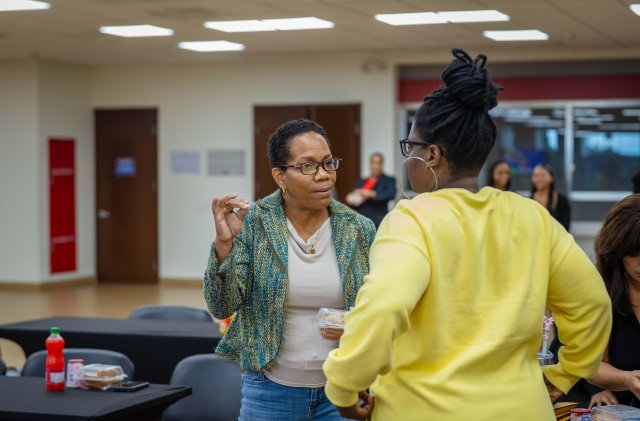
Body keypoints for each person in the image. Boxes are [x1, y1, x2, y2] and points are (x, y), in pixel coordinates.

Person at [322, 48, 612, 420]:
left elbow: (383, 308)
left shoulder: (413, 218)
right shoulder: (532, 217)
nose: (408, 158)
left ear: (432, 155)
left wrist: (344, 387)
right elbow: (592, 305)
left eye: (411, 147)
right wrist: (565, 373)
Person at [204, 118, 376, 421]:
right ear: (280, 176)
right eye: (308, 166)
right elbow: (222, 305)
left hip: (342, 392)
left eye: (328, 163)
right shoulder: (253, 222)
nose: (324, 175)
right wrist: (224, 244)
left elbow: (375, 308)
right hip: (269, 391)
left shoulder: (358, 229)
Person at [587, 194, 640, 408]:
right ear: (618, 252)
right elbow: (593, 365)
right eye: (634, 254)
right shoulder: (601, 296)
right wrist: (626, 378)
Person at [346, 153, 397, 228]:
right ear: (370, 164)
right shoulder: (361, 181)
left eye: (378, 163)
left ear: (382, 165)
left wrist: (370, 193)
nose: (376, 166)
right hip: (361, 222)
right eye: (374, 162)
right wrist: (351, 199)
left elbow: (391, 194)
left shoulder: (388, 180)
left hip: (378, 222)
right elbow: (355, 198)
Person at [531, 163, 572, 232]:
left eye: (543, 175)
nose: (539, 178)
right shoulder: (529, 200)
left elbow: (565, 227)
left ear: (551, 178)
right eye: (536, 175)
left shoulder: (562, 201)